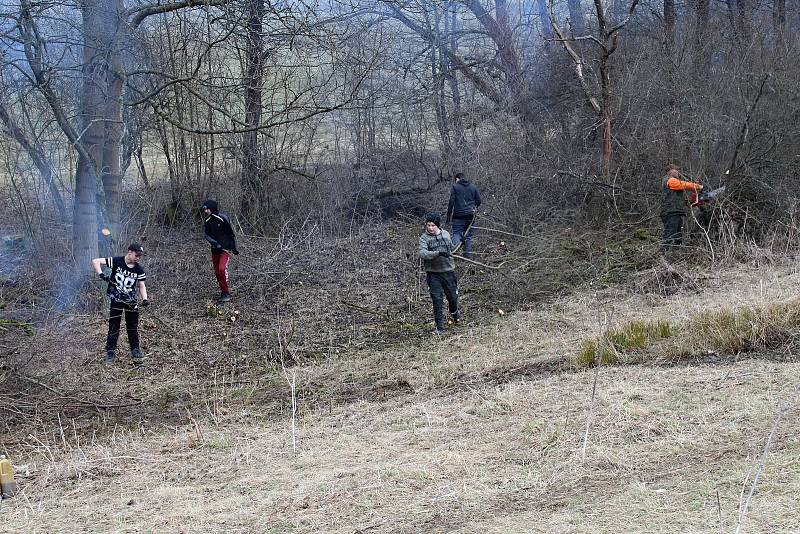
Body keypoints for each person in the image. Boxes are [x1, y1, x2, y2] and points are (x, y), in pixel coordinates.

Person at [92, 243, 149, 364]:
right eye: (136, 255)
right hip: (116, 299)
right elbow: (96, 261)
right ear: (129, 252)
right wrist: (102, 275)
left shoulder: (139, 269)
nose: (138, 258)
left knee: (132, 326)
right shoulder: (117, 261)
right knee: (114, 326)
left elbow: (142, 286)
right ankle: (110, 352)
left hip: (130, 301)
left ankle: (135, 349)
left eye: (140, 256)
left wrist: (145, 299)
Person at [418, 212, 460, 334]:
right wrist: (437, 253)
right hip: (433, 274)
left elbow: (452, 249)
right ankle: (440, 327)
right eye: (428, 225)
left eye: (433, 225)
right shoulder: (424, 239)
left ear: (438, 225)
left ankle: (454, 312)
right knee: (437, 299)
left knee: (453, 297)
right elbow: (422, 253)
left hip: (448, 272)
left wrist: (460, 243)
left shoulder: (446, 234)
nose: (430, 228)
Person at [202, 200, 239, 302]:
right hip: (215, 249)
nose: (205, 211)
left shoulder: (223, 218)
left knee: (222, 269)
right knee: (217, 272)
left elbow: (230, 234)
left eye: (207, 209)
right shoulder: (207, 221)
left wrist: (233, 248)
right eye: (205, 209)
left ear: (212, 208)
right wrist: (215, 243)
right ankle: (223, 292)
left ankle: (226, 292)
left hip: (225, 248)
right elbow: (206, 235)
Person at [660, 165, 702, 251]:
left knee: (677, 236)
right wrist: (697, 186)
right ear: (670, 171)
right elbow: (683, 185)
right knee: (669, 235)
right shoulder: (670, 180)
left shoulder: (676, 187)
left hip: (676, 213)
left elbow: (689, 203)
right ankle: (662, 254)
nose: (677, 172)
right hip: (670, 213)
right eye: (676, 170)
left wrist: (695, 194)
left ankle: (675, 254)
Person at [446, 172, 482, 258]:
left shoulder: (455, 187)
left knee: (457, 233)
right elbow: (479, 201)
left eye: (455, 180)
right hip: (470, 216)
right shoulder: (473, 187)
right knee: (468, 236)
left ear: (457, 179)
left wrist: (448, 217)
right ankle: (467, 256)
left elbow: (451, 202)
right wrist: (473, 208)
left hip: (458, 216)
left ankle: (455, 253)